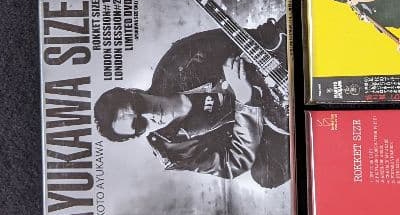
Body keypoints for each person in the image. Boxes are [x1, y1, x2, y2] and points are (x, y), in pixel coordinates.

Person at [93, 15, 291, 187]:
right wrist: (245, 101)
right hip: (259, 127)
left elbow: (244, 39)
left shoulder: (177, 59)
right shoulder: (171, 151)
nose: (150, 114)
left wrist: (271, 66)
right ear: (139, 135)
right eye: (139, 125)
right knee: (267, 173)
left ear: (135, 91)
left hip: (264, 75)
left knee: (285, 34)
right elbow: (232, 164)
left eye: (138, 105)